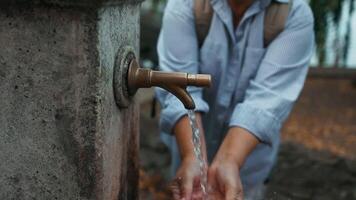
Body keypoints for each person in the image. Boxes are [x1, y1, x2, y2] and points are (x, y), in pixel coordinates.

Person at [155, 0, 315, 199]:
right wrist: (192, 156)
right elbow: (179, 87)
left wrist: (229, 160)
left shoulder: (294, 14)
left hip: (248, 170)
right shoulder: (184, 4)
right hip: (186, 161)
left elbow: (266, 100)